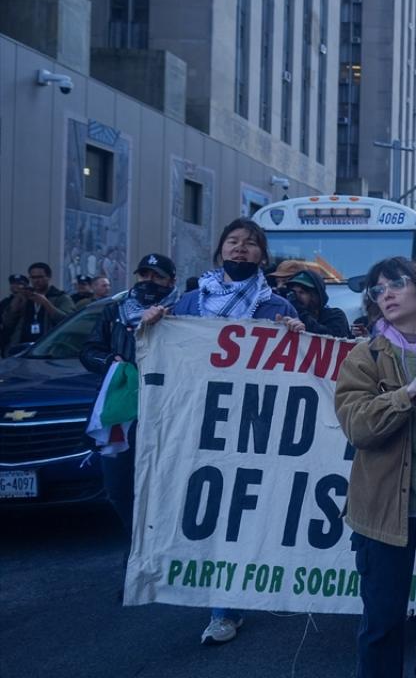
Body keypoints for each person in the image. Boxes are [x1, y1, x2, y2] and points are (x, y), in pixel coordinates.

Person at [143, 218, 297, 645]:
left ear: (262, 256)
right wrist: (153, 328)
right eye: (233, 241)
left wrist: (298, 337)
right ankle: (217, 596)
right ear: (220, 250)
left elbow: (296, 370)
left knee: (240, 513)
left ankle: (226, 608)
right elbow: (165, 357)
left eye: (250, 243)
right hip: (200, 422)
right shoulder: (190, 303)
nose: (240, 248)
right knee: (208, 510)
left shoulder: (277, 308)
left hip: (253, 426)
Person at [335, 256, 416, 678]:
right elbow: (358, 427)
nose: (387, 295)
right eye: (378, 290)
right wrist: (410, 391)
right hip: (382, 516)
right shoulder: (364, 355)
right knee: (382, 625)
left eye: (396, 284)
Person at [80, 253, 180, 536]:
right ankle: (134, 541)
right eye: (144, 275)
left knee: (163, 487)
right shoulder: (114, 311)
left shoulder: (183, 312)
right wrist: (109, 362)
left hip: (166, 411)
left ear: (171, 281)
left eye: (157, 276)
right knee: (118, 488)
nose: (149, 281)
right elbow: (88, 351)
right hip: (123, 413)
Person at [2, 262, 76, 349]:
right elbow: (7, 323)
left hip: (48, 348)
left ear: (48, 277)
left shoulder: (60, 297)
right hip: (22, 347)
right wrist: (15, 304)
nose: (36, 281)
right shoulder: (25, 296)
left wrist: (45, 303)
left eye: (40, 277)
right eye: (33, 277)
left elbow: (68, 322)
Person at [281, 268, 352, 337]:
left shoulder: (336, 315)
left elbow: (331, 338)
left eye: (302, 292)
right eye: (293, 292)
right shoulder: (288, 315)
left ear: (316, 296)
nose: (296, 297)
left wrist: (299, 312)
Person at [0, 274, 29, 353]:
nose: (16, 286)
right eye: (13, 283)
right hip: (8, 339)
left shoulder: (31, 300)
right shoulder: (5, 302)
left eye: (20, 284)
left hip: (25, 337)